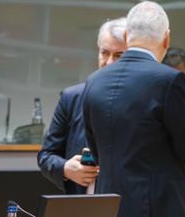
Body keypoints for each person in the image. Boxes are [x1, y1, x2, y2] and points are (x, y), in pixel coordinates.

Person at [82, 1, 185, 217]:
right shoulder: (170, 81)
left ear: (127, 37)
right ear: (166, 38)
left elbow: (97, 150)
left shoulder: (94, 82)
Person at [39, 18, 127, 194]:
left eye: (118, 55)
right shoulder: (72, 98)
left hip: (127, 206)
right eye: (104, 53)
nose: (109, 62)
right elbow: (46, 156)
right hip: (81, 207)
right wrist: (66, 168)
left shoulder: (142, 100)